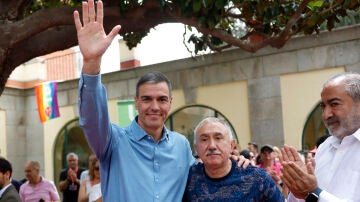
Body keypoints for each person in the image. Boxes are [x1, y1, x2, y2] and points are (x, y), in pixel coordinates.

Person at [73, 1, 248, 201]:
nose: (155, 107)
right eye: (147, 99)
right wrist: (91, 63)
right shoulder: (112, 141)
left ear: (170, 103)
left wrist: (232, 161)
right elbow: (92, 116)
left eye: (162, 99)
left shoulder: (181, 146)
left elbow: (206, 176)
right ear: (136, 102)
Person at [281, 72, 360, 201]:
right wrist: (298, 186)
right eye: (323, 106)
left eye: (334, 104)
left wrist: (314, 193)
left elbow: (313, 195)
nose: (325, 115)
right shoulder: (325, 147)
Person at [183, 117, 284, 201]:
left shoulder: (258, 178)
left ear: (232, 145)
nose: (212, 146)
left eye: (218, 138)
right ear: (196, 148)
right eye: (204, 140)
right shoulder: (187, 179)